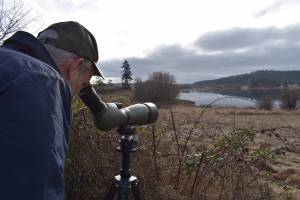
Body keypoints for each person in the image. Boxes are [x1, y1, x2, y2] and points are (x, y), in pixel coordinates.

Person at [0, 21, 103, 200]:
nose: (78, 92)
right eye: (83, 84)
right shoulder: (41, 81)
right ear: (75, 66)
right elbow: (32, 191)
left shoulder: (9, 61)